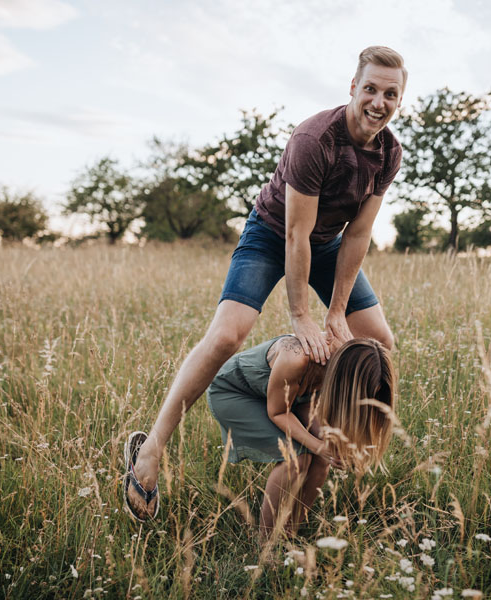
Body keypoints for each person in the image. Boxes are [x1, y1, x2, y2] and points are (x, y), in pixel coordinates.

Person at [123, 46, 407, 520]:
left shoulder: (389, 152)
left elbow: (358, 233)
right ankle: (150, 448)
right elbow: (294, 234)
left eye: (391, 93)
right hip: (273, 232)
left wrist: (336, 312)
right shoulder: (314, 138)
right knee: (228, 335)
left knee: (378, 339)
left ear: (400, 100)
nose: (379, 101)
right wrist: (302, 317)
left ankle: (322, 439)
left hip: (328, 241)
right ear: (353, 89)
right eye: (371, 89)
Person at [125, 335, 397, 537]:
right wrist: (316, 445)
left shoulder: (347, 361)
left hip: (289, 401)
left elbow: (304, 405)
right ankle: (266, 542)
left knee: (322, 457)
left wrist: (331, 448)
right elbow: (278, 412)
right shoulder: (297, 358)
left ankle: (289, 531)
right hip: (236, 394)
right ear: (344, 385)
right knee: (297, 457)